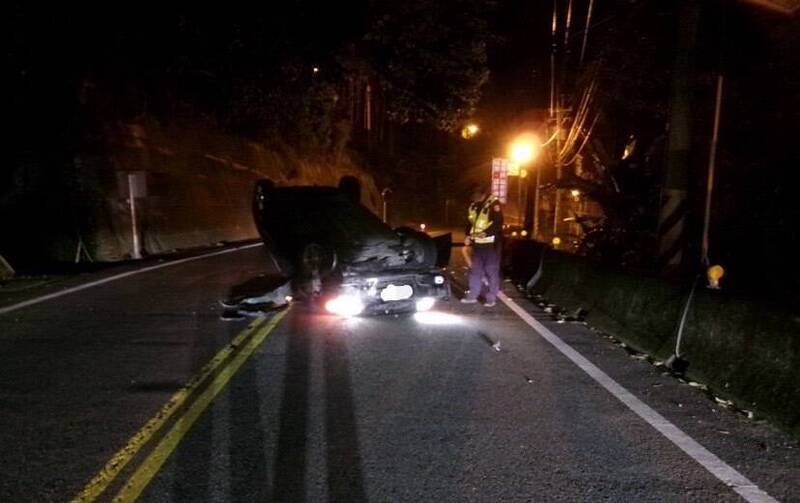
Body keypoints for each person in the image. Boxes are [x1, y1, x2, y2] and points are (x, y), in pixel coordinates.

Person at [461, 185, 503, 307]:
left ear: (482, 194)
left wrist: (485, 233)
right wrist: (468, 236)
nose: (473, 198)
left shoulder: (493, 204)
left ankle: (491, 298)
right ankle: (472, 295)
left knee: (491, 272)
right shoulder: (473, 206)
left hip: (491, 245)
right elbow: (471, 224)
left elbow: (498, 223)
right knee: (475, 271)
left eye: (475, 195)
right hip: (478, 246)